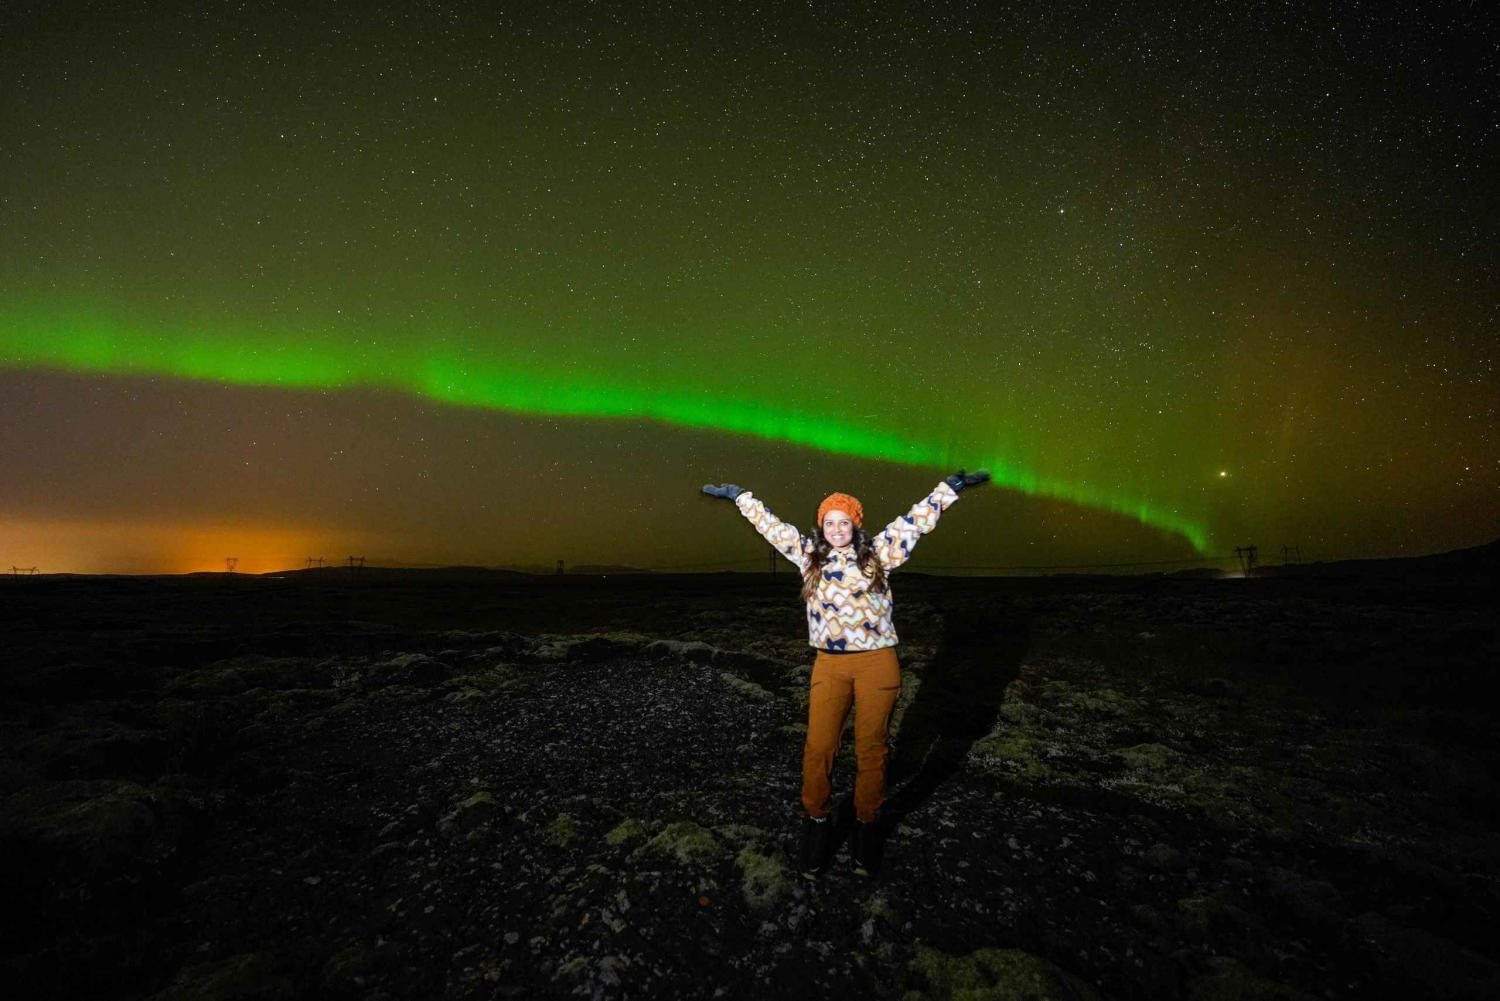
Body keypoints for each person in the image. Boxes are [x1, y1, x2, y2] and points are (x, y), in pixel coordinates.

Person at [701, 469, 991, 878]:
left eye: (844, 522)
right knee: (819, 746)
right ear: (821, 527)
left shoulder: (880, 553)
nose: (837, 529)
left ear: (856, 525)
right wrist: (740, 497)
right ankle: (817, 822)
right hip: (830, 664)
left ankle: (867, 826)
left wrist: (949, 489)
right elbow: (772, 527)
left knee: (872, 749)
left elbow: (915, 520)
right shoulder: (808, 556)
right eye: (829, 523)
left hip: (877, 663)